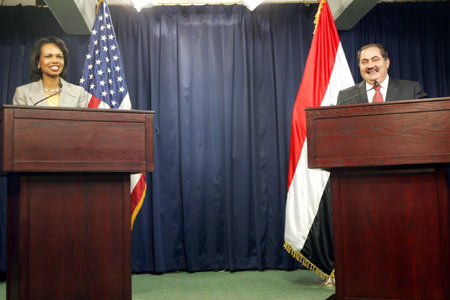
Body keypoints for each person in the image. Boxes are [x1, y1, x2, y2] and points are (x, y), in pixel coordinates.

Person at [337, 43, 427, 105]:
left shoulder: (412, 90)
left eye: (375, 59)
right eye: (364, 62)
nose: (370, 65)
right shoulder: (346, 97)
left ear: (387, 63)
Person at [13, 36, 89, 107]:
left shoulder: (78, 93)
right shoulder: (23, 93)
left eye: (59, 57)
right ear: (38, 62)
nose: (55, 61)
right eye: (48, 56)